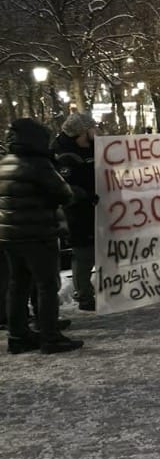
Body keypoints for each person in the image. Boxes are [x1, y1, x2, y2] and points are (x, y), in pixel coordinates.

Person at [0, 118, 84, 354]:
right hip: (37, 233)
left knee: (17, 285)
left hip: (9, 235)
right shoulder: (38, 164)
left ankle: (18, 336)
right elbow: (64, 194)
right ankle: (50, 337)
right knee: (46, 285)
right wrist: (77, 193)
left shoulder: (5, 162)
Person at [51, 112, 98, 310]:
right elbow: (65, 189)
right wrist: (86, 195)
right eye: (92, 128)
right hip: (78, 213)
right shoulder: (64, 155)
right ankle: (84, 295)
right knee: (84, 253)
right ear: (82, 131)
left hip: (94, 208)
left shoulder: (92, 147)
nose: (96, 131)